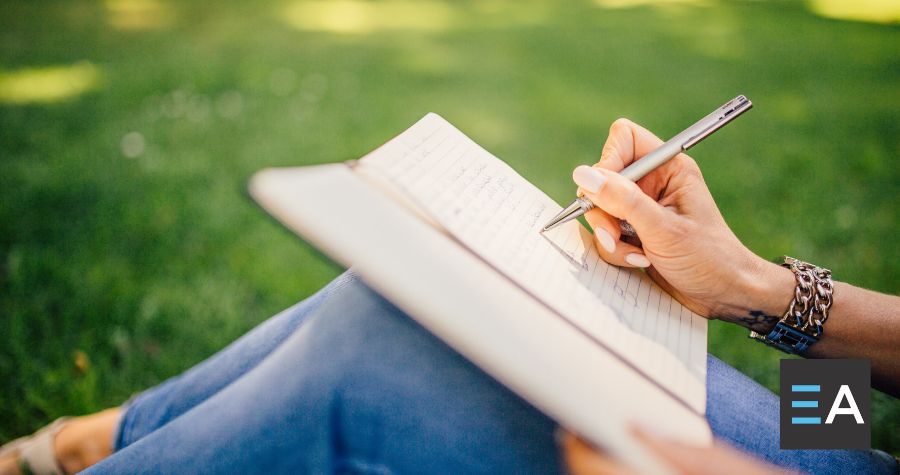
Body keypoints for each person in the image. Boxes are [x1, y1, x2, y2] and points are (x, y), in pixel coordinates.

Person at [1, 119, 897, 475]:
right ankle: (103, 443)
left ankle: (97, 446)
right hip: (861, 435)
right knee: (423, 287)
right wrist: (752, 285)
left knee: (401, 349)